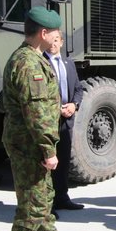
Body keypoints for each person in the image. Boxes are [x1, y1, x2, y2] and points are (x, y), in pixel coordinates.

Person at [2, 6, 76, 231]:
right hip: (30, 144)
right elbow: (37, 111)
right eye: (56, 32)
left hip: (28, 141)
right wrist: (48, 148)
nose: (59, 37)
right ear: (44, 33)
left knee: (43, 194)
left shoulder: (32, 57)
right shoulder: (28, 63)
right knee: (32, 202)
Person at [44, 30, 84, 217]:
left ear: (61, 43)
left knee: (64, 160)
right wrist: (56, 108)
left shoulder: (68, 63)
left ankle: (62, 197)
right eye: (50, 40)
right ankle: (48, 204)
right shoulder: (40, 62)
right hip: (48, 120)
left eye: (56, 40)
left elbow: (78, 88)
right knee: (48, 162)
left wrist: (74, 105)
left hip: (66, 119)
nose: (53, 44)